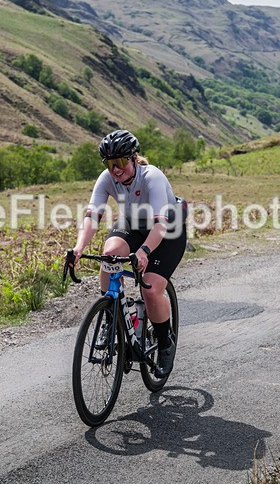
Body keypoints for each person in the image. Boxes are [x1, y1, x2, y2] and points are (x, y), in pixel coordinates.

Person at [70, 129, 186, 377]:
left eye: (121, 162)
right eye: (110, 163)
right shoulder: (107, 178)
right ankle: (111, 316)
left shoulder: (151, 176)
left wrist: (144, 251)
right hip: (133, 223)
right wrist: (79, 248)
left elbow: (160, 226)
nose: (115, 169)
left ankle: (165, 343)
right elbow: (92, 216)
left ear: (134, 158)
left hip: (167, 230)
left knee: (150, 289)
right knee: (109, 254)